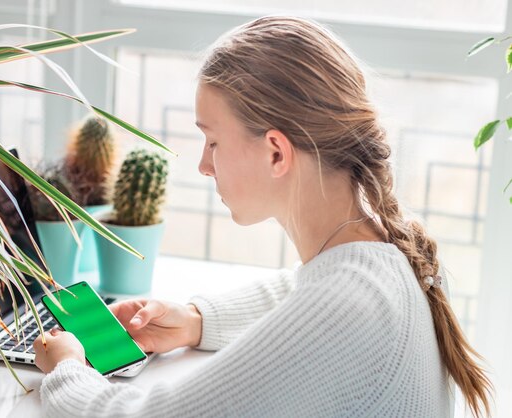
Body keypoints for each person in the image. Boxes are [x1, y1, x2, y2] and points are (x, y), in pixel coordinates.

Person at [33, 16, 492, 417]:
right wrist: (194, 321)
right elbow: (297, 290)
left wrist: (66, 367)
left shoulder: (343, 309)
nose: (204, 164)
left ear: (276, 152)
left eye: (213, 141)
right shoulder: (391, 252)